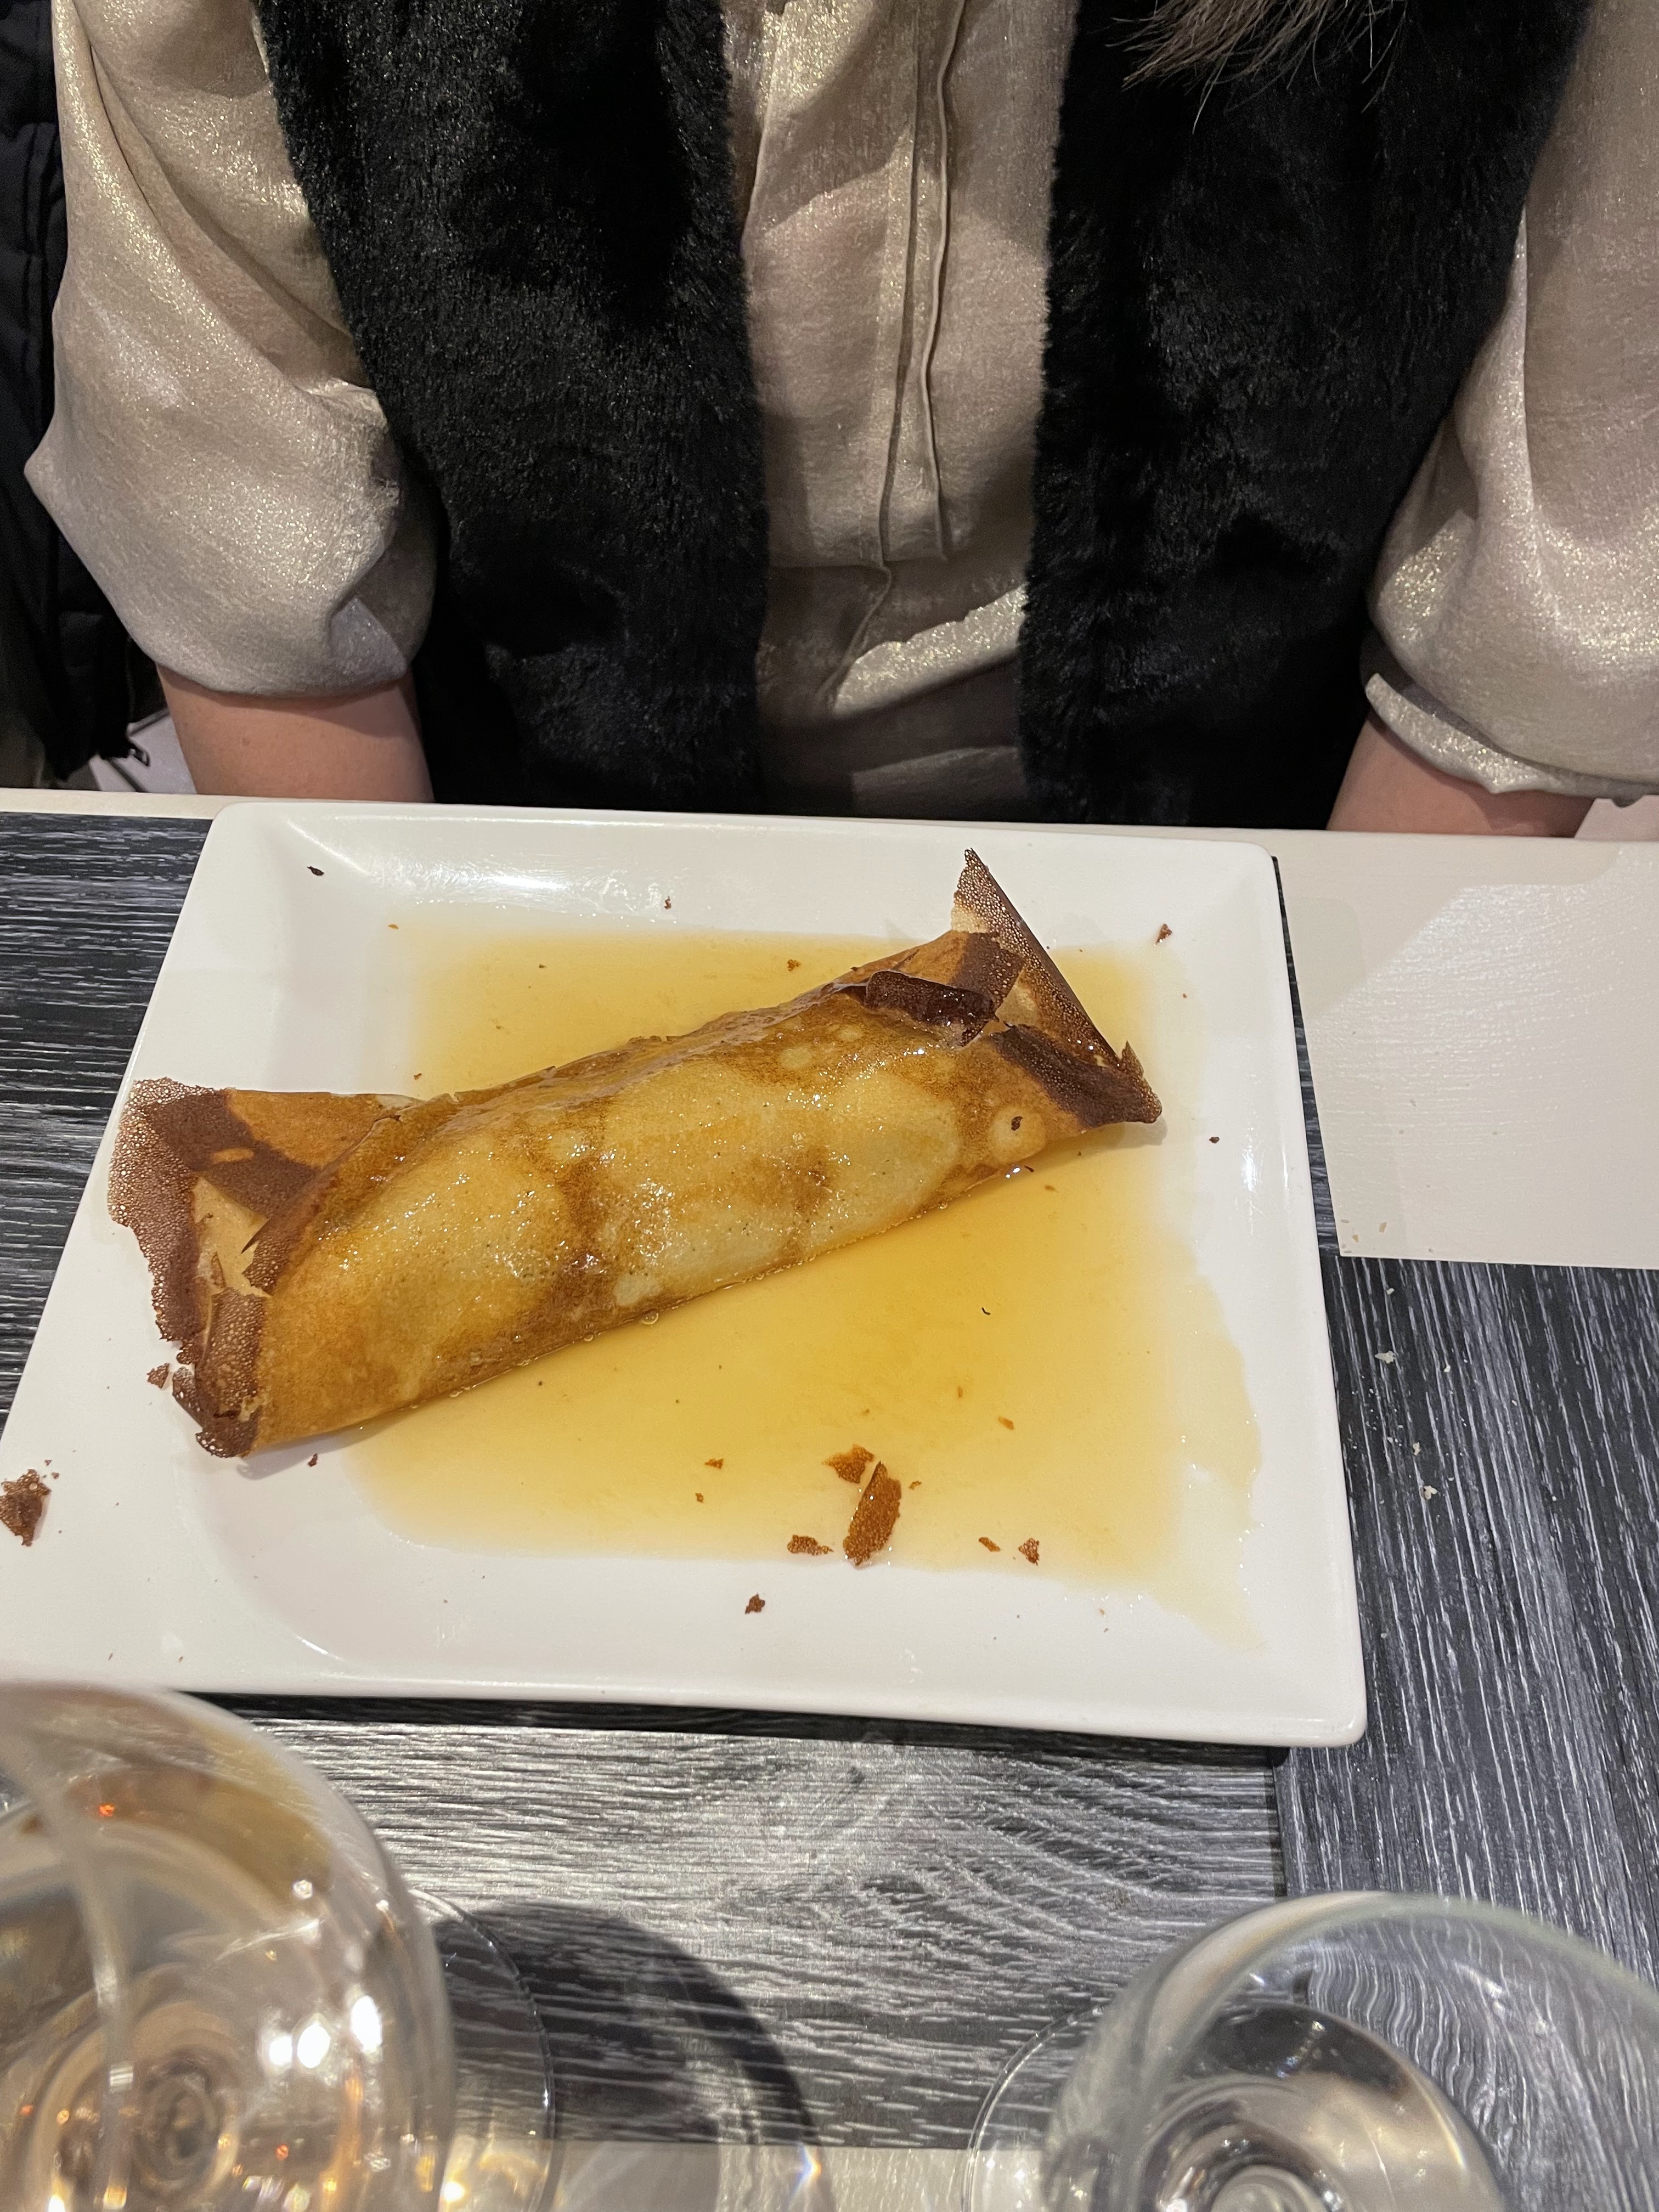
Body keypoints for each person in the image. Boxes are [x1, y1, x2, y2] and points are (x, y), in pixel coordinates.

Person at [24, 0, 1659, 832]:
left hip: (1250, 862)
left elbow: (1541, 592)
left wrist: (1289, 1120)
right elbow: (249, 508)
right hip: (506, 841)